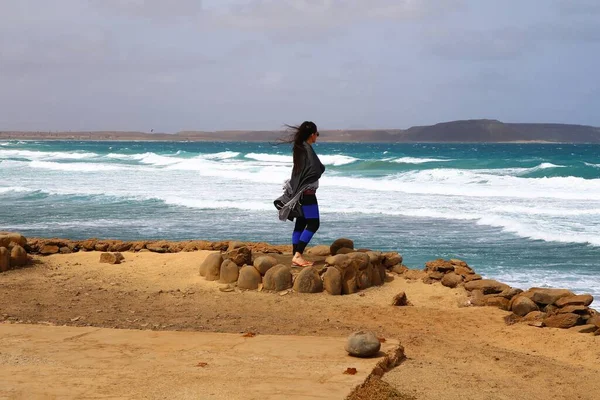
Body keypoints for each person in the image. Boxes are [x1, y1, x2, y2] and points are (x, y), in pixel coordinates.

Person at [274, 121, 325, 267]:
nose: (317, 137)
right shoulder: (307, 149)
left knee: (301, 223)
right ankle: (298, 255)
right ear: (312, 135)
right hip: (307, 194)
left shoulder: (299, 148)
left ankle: (295, 255)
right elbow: (317, 169)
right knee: (314, 223)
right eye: (317, 134)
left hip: (300, 194)